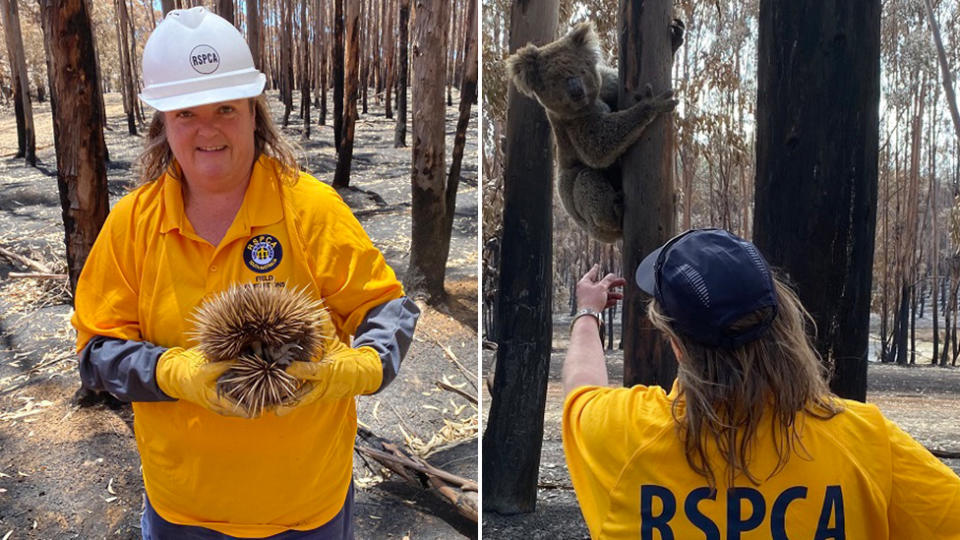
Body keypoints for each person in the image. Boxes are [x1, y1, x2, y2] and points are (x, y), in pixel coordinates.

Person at [71, 7, 419, 539]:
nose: (207, 129)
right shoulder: (132, 224)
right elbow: (95, 353)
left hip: (307, 507)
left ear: (254, 114)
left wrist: (362, 367)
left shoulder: (311, 209)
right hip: (183, 510)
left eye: (226, 108)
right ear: (163, 123)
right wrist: (173, 373)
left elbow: (387, 310)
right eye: (186, 113)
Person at [562, 228, 960, 539]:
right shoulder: (865, 441)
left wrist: (587, 311)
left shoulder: (623, 435)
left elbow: (581, 388)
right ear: (784, 322)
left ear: (677, 345)